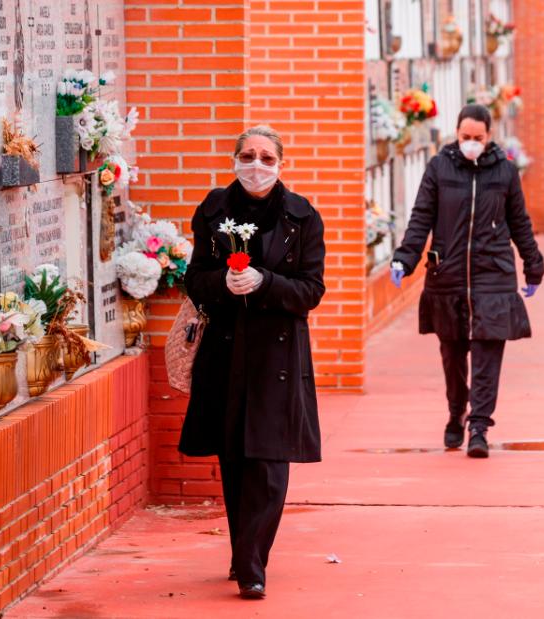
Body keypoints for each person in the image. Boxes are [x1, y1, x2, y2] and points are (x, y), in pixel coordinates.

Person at [179, 125, 326, 599]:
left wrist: (264, 283)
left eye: (266, 157)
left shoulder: (303, 217)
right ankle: (246, 549)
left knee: (268, 458)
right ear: (234, 160)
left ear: (280, 163)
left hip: (277, 351)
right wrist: (225, 282)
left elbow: (311, 290)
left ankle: (251, 563)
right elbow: (195, 278)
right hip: (225, 348)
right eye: (248, 155)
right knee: (234, 456)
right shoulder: (214, 210)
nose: (256, 165)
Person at [390, 104, 544, 458]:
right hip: (448, 276)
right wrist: (404, 258)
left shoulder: (505, 172)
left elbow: (519, 221)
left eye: (478, 138)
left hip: (494, 276)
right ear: (456, 134)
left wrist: (533, 265)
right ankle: (456, 411)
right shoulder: (439, 168)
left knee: (489, 353)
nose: (471, 144)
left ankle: (479, 426)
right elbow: (421, 218)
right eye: (465, 137)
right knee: (453, 354)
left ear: (489, 137)